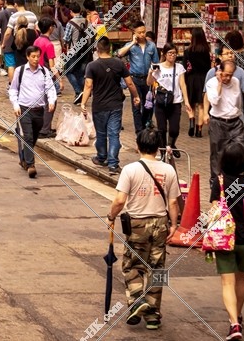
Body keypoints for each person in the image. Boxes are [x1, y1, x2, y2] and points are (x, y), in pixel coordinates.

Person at [107, 127, 180, 331]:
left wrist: (111, 215)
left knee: (132, 266)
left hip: (137, 225)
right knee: (157, 269)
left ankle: (138, 301)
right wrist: (174, 225)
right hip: (161, 223)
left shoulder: (130, 170)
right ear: (158, 148)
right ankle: (153, 316)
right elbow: (173, 202)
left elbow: (120, 200)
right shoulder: (169, 170)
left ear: (138, 146)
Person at [213, 142, 244, 340]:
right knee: (242, 278)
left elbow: (215, 209)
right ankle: (238, 317)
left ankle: (234, 323)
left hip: (225, 238)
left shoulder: (220, 182)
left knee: (227, 282)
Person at [81, 38, 140, 174]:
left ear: (97, 49)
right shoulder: (119, 64)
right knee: (114, 134)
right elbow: (130, 83)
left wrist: (83, 103)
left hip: (99, 105)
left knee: (101, 134)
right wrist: (136, 96)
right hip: (116, 105)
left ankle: (102, 157)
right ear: (110, 49)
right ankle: (113, 164)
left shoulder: (92, 66)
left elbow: (88, 85)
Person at [202, 50, 244, 204]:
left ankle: (241, 186)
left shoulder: (236, 82)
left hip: (235, 121)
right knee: (218, 155)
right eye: (224, 74)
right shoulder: (212, 82)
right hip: (218, 122)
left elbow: (241, 98)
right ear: (219, 71)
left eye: (230, 75)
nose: (227, 78)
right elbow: (214, 100)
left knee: (241, 151)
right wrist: (219, 83)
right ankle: (216, 188)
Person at [7, 45, 57, 179]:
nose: (36, 59)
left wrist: (51, 101)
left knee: (34, 137)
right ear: (27, 57)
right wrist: (15, 105)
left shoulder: (44, 72)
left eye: (37, 56)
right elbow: (13, 89)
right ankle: (31, 165)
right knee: (28, 136)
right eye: (33, 56)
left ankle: (24, 156)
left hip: (39, 111)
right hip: (24, 109)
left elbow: (50, 89)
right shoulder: (20, 71)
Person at [148, 44, 192, 154]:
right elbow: (149, 83)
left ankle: (171, 144)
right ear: (164, 54)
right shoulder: (158, 67)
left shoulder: (179, 67)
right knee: (162, 129)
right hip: (161, 103)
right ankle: (163, 152)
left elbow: (183, 84)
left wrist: (186, 101)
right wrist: (150, 73)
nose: (172, 55)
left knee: (174, 129)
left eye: (174, 53)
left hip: (175, 102)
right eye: (170, 53)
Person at [116, 25, 159, 132]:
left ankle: (145, 126)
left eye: (143, 32)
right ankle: (139, 132)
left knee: (148, 105)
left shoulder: (151, 46)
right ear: (134, 33)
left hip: (148, 79)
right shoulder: (132, 46)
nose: (142, 34)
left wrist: (155, 81)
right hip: (134, 79)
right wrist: (132, 43)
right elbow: (119, 54)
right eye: (139, 32)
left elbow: (156, 63)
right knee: (136, 105)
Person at [34, 18, 62, 138]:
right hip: (47, 76)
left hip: (36, 74)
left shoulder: (37, 41)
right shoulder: (49, 44)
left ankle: (44, 127)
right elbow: (52, 65)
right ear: (50, 27)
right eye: (53, 26)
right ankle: (45, 130)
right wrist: (60, 79)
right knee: (51, 102)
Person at [60, 3, 91, 105]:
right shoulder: (87, 21)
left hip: (73, 51)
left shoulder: (70, 23)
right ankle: (84, 92)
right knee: (80, 73)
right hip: (85, 51)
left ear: (71, 12)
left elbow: (66, 39)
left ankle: (78, 91)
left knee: (68, 71)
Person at [183, 29, 212, 138]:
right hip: (203, 79)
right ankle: (199, 130)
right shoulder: (205, 51)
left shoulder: (188, 51)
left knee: (191, 103)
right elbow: (208, 67)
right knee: (201, 104)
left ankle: (191, 121)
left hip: (191, 79)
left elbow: (184, 67)